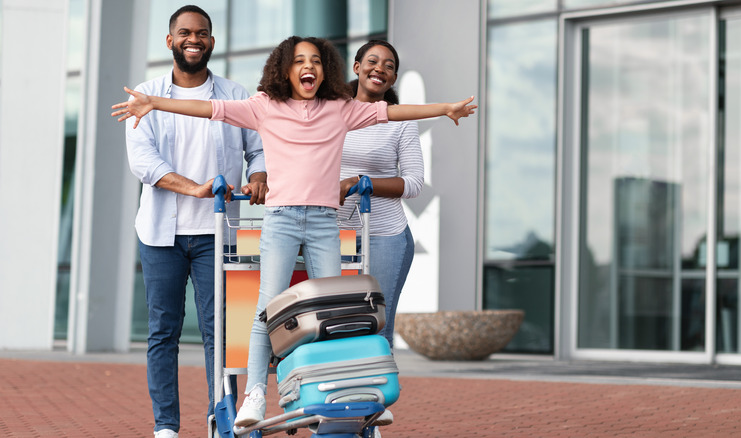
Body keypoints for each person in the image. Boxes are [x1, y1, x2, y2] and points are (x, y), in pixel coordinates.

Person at [111, 35, 477, 429]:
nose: (309, 66)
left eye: (316, 60)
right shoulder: (264, 107)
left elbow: (393, 114)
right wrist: (154, 103)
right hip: (281, 220)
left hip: (324, 222)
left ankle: (346, 389)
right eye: (300, 60)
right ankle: (254, 394)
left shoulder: (341, 109)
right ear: (285, 69)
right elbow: (208, 108)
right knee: (266, 308)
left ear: (326, 70)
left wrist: (445, 109)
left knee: (337, 310)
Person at [123, 6, 266, 438]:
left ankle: (220, 420)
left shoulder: (235, 95)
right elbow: (144, 163)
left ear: (212, 42)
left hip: (217, 233)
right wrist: (194, 188)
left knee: (220, 332)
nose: (193, 39)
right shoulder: (145, 95)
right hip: (161, 234)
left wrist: (258, 175)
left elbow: (258, 149)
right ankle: (166, 426)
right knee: (162, 332)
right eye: (184, 33)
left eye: (201, 33)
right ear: (170, 41)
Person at [339, 40, 421, 352]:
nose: (380, 69)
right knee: (336, 323)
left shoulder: (400, 120)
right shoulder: (331, 111)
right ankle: (340, 398)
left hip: (385, 235)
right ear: (357, 67)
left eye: (389, 66)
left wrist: (363, 182)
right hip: (333, 233)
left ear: (394, 79)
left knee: (376, 326)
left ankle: (375, 400)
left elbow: (414, 183)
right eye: (373, 61)